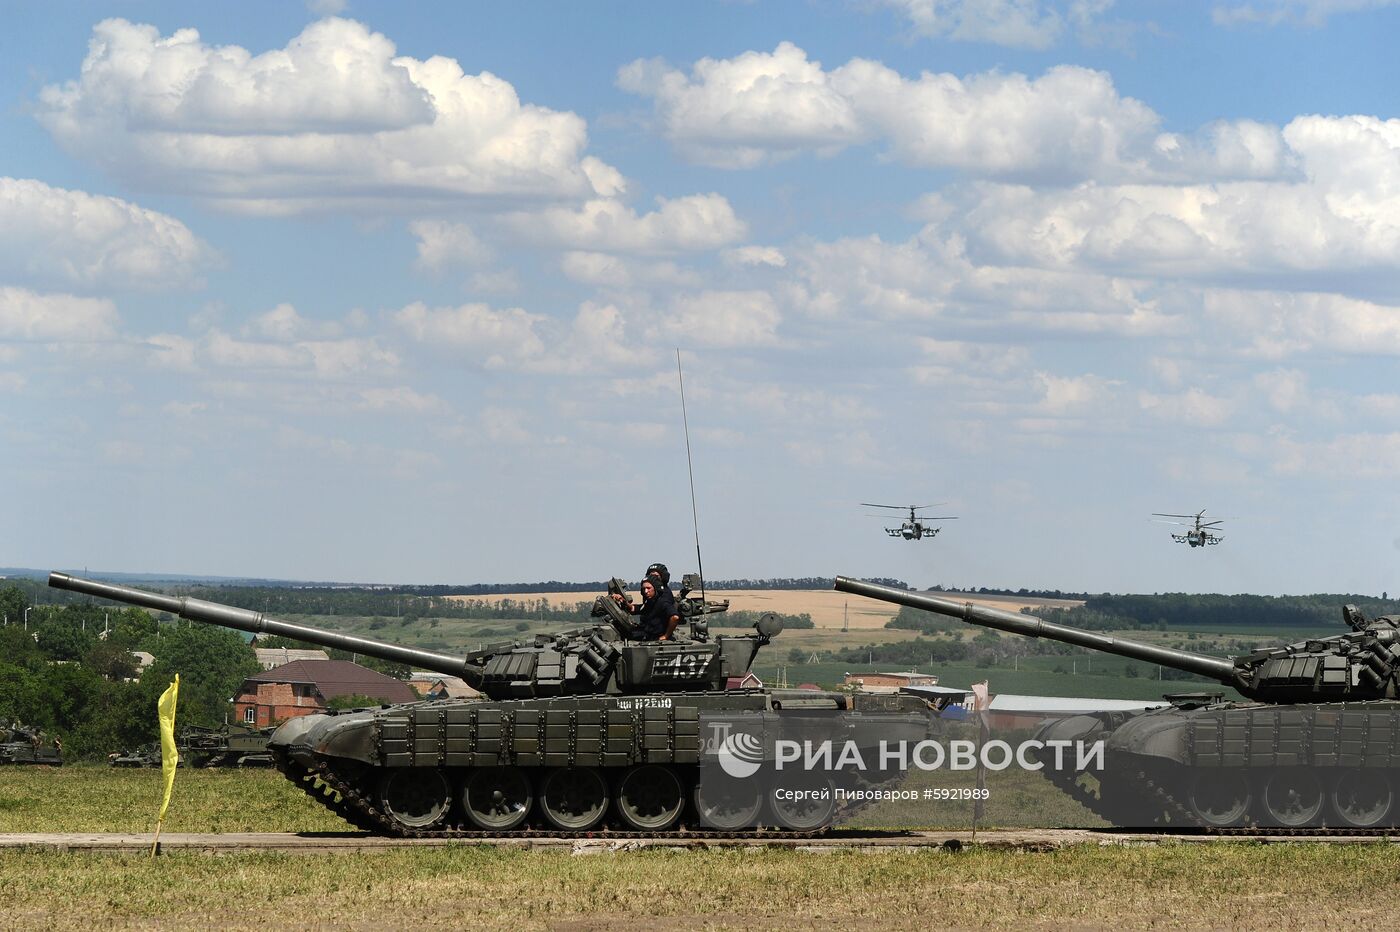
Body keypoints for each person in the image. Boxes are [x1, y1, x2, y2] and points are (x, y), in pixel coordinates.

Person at [634, 577, 681, 641]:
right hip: (649, 637)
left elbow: (675, 617)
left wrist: (666, 636)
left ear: (655, 588)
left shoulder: (663, 602)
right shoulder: (649, 602)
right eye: (643, 589)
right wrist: (624, 602)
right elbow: (635, 609)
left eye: (648, 588)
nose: (646, 591)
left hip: (658, 639)